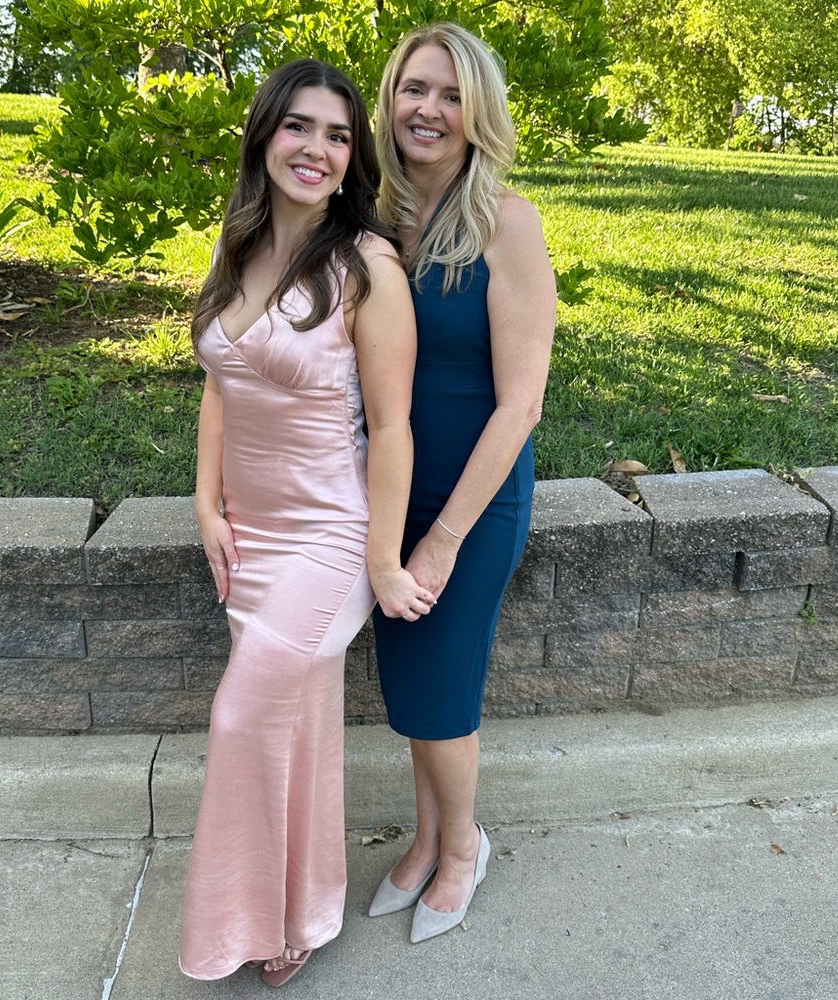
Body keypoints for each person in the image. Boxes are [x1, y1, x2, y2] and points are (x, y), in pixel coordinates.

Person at [179, 58, 434, 986]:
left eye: (337, 135)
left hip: (327, 540)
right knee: (294, 723)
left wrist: (382, 560)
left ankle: (245, 922)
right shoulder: (239, 243)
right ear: (265, 135)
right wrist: (204, 501)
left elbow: (395, 427)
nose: (317, 150)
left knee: (244, 714)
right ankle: (300, 913)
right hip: (248, 535)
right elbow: (222, 380)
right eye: (299, 127)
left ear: (352, 155)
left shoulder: (367, 265)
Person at [367, 24, 557, 943]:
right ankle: (425, 833)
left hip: (472, 504)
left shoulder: (505, 223)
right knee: (411, 677)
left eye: (448, 94)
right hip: (388, 490)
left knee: (443, 680)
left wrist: (442, 539)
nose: (428, 110)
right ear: (389, 100)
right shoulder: (373, 218)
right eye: (413, 89)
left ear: (477, 112)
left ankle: (462, 847)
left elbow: (521, 405)